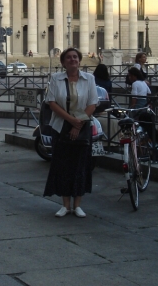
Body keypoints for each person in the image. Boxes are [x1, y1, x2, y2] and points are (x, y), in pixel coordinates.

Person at [43, 48, 98, 218]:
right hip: (61, 126)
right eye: (69, 57)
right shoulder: (55, 78)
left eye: (75, 57)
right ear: (63, 62)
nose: (72, 60)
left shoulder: (89, 78)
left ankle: (78, 204)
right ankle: (65, 205)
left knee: (80, 165)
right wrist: (70, 120)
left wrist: (77, 124)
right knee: (62, 166)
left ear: (79, 60)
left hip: (82, 127)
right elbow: (51, 103)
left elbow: (92, 103)